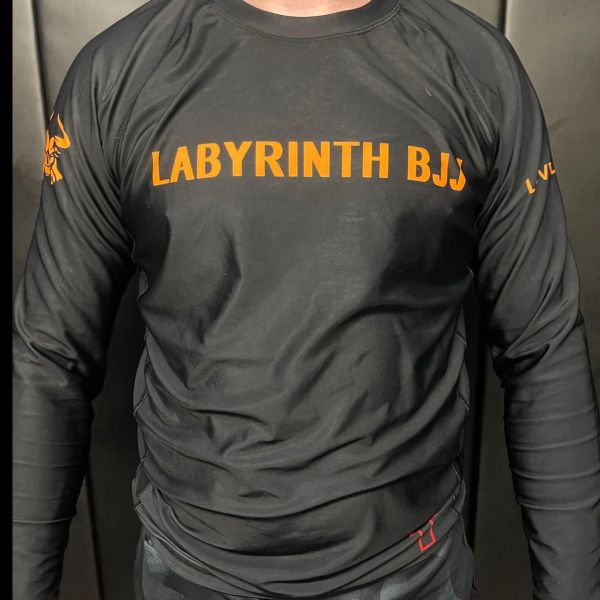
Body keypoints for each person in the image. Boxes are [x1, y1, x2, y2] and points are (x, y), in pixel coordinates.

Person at [12, 0, 600, 598]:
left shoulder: (477, 69)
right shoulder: (119, 71)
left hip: (413, 570)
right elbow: (49, 356)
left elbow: (543, 350)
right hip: (190, 572)